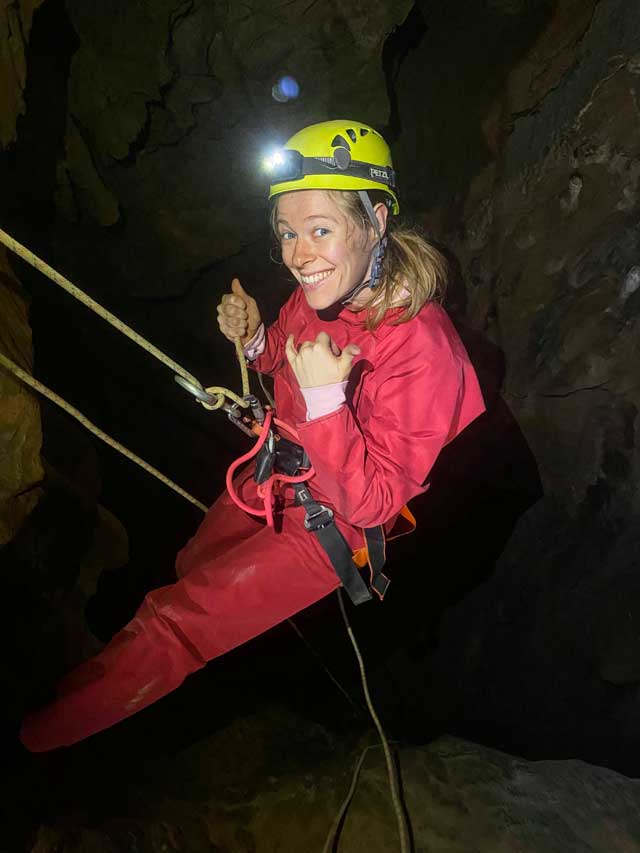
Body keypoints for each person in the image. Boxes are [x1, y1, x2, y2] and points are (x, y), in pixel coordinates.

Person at [20, 119, 485, 752]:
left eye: (320, 230)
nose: (298, 253)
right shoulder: (323, 292)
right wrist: (258, 339)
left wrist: (325, 399)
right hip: (276, 475)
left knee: (180, 625)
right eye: (288, 233)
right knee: (190, 567)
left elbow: (371, 504)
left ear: (376, 221)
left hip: (329, 525)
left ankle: (31, 740)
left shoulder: (424, 351)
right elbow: (283, 363)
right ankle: (101, 675)